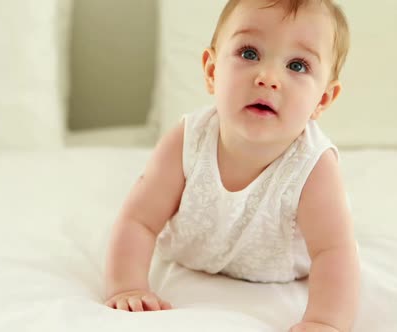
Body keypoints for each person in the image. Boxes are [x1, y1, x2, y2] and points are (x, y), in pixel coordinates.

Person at [104, 0, 360, 331]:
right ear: (212, 71)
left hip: (279, 271)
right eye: (249, 53)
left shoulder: (314, 166)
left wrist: (325, 322)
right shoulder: (188, 140)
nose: (268, 77)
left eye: (297, 66)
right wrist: (127, 286)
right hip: (190, 254)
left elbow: (334, 252)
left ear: (322, 100)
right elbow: (138, 220)